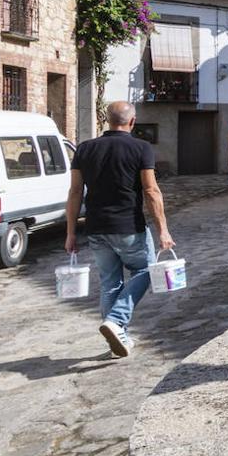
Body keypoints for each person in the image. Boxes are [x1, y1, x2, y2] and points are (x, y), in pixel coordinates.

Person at [65, 101, 175, 359]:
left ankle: (119, 336)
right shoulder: (141, 148)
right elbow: (151, 191)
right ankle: (116, 320)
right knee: (146, 270)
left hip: (95, 228)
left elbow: (74, 192)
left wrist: (71, 232)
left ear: (106, 119)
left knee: (110, 283)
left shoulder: (84, 149)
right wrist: (163, 230)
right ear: (132, 122)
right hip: (128, 226)